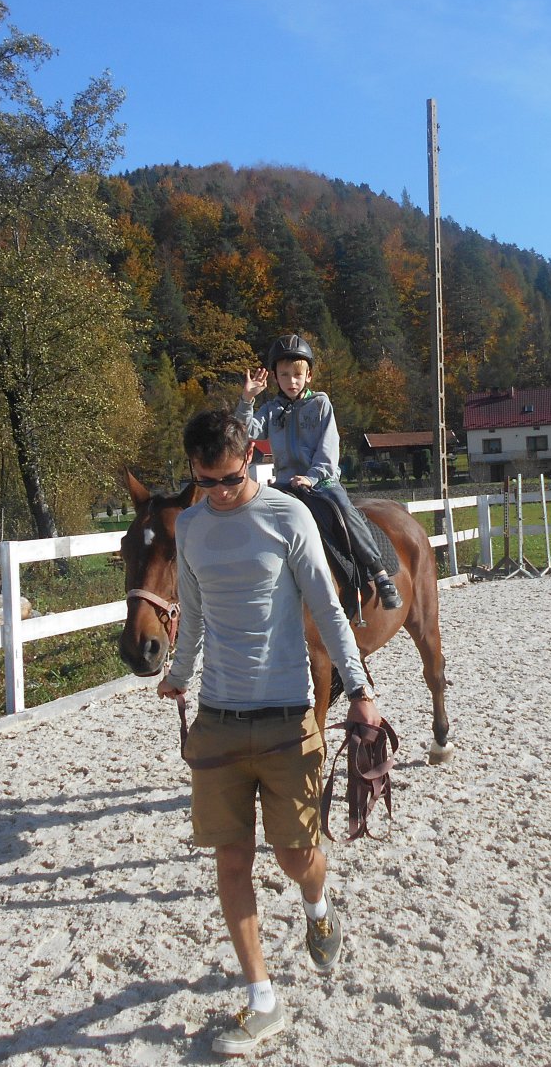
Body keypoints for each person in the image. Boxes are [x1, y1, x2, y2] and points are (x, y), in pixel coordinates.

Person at [157, 407, 381, 1057]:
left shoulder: (288, 516)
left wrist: (360, 691)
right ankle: (262, 999)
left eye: (230, 479)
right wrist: (178, 674)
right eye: (206, 482)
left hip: (287, 718)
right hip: (219, 721)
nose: (220, 493)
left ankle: (318, 907)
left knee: (294, 858)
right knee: (231, 863)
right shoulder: (192, 526)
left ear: (249, 459)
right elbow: (194, 614)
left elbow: (327, 611)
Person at [236, 333, 403, 609]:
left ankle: (379, 572)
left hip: (322, 481)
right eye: (284, 374)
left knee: (344, 510)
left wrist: (311, 477)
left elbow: (328, 449)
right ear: (275, 377)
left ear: (309, 376)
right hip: (284, 484)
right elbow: (244, 433)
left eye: (297, 375)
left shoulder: (320, 404)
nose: (291, 381)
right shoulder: (270, 410)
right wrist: (247, 400)